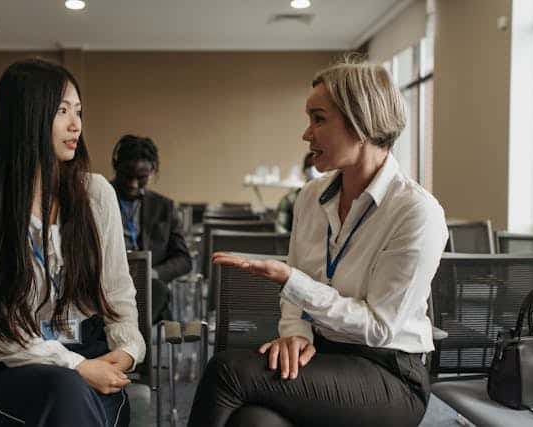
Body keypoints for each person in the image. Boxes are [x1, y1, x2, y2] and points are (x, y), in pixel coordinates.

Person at [188, 57, 448, 427]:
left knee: (227, 371)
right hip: (323, 357)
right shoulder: (311, 197)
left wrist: (292, 282)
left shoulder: (416, 212)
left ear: (361, 122)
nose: (306, 134)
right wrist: (294, 334)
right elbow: (296, 299)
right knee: (253, 421)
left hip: (389, 372)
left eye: (319, 119)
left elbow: (379, 328)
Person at [0, 58, 145, 427]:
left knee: (73, 396)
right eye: (62, 111)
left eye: (79, 111)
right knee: (66, 390)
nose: (76, 125)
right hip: (14, 366)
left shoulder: (96, 193)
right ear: (26, 118)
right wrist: (77, 368)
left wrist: (128, 351)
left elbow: (118, 294)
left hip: (93, 352)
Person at [110, 134, 192, 323]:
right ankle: (134, 341)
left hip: (148, 286)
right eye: (126, 176)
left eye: (141, 178)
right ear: (116, 167)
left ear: (152, 171)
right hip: (108, 283)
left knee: (157, 291)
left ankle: (131, 340)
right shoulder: (95, 199)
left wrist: (153, 273)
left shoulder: (164, 207)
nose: (133, 185)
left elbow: (184, 259)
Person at [275, 152, 317, 233]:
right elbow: (280, 231)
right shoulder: (289, 200)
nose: (314, 169)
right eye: (310, 166)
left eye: (318, 167)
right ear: (303, 170)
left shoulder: (334, 199)